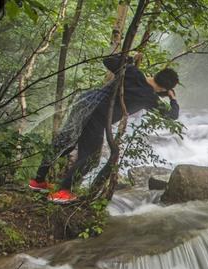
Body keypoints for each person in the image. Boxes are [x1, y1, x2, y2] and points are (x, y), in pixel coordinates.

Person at [29, 54, 180, 204]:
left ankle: (38, 181)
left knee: (64, 141)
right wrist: (173, 99)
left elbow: (108, 60)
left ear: (157, 74)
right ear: (165, 89)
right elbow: (172, 115)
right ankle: (63, 191)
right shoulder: (149, 98)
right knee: (91, 157)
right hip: (99, 116)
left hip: (86, 102)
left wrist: (128, 58)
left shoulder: (133, 71)